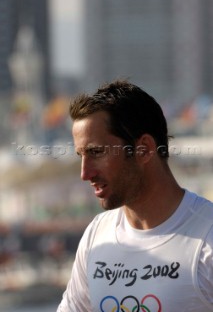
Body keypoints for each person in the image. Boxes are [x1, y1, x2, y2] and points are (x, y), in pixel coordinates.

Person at [57, 80, 213, 312]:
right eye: (81, 155)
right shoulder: (97, 236)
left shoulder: (207, 237)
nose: (85, 173)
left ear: (144, 149)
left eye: (96, 152)